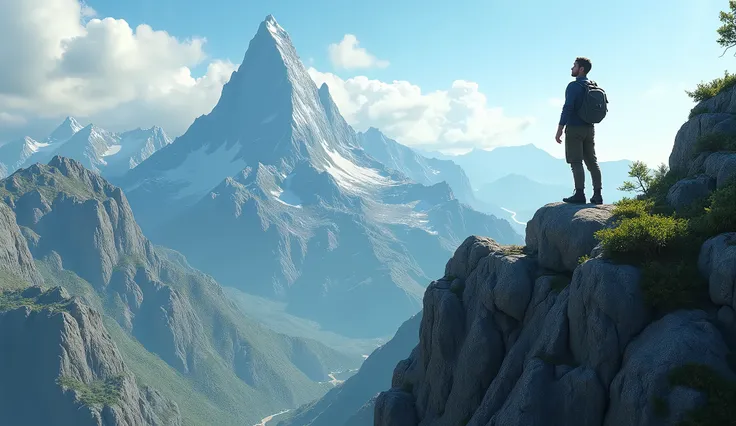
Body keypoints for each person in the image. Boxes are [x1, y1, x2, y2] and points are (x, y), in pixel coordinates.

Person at [555, 56, 603, 205]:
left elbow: (568, 107)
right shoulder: (593, 85)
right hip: (590, 128)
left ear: (581, 69)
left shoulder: (573, 86)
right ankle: (597, 195)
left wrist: (560, 128)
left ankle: (580, 194)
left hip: (575, 129)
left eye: (574, 66)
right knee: (592, 162)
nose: (572, 68)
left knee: (576, 162)